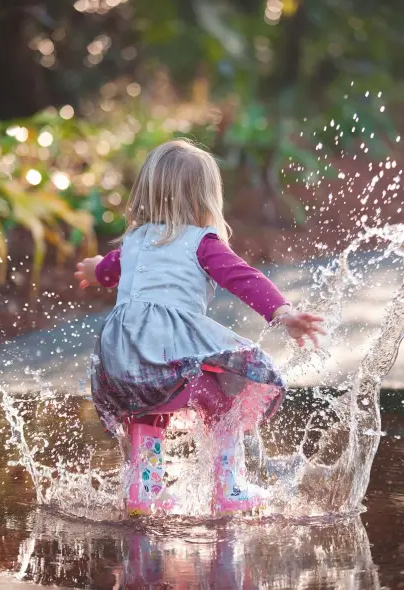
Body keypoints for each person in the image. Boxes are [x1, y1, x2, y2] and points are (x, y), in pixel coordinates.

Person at [74, 138, 325, 516]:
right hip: (162, 349)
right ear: (206, 198)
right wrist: (282, 313)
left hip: (119, 359)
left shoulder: (134, 242)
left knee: (148, 409)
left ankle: (144, 491)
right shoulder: (201, 242)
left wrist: (93, 272)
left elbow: (106, 271)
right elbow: (243, 277)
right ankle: (229, 488)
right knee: (224, 398)